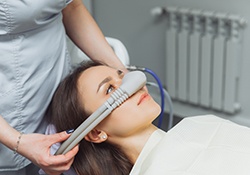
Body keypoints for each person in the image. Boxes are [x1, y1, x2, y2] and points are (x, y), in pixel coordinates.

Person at [47, 60, 250, 175]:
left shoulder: (201, 123)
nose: (132, 85)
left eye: (123, 77)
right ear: (96, 132)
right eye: (109, 89)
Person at [0, 1, 125, 175]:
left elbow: (72, 7)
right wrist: (16, 141)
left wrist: (123, 74)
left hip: (53, 92)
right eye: (109, 89)